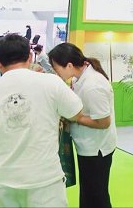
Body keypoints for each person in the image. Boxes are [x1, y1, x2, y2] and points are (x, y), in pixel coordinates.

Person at [0, 34, 83, 207]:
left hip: (0, 184)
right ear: (30, 57)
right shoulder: (52, 83)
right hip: (45, 182)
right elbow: (75, 113)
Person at [48, 43, 116, 208]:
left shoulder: (93, 85)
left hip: (96, 150)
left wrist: (76, 118)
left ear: (69, 65)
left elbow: (103, 122)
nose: (56, 72)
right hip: (87, 146)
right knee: (88, 193)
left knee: (96, 196)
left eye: (56, 68)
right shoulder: (79, 78)